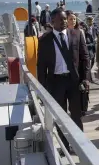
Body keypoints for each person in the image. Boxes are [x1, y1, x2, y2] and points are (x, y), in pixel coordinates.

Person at [37, 8, 89, 156]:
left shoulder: (77, 34)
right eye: (61, 19)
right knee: (61, 116)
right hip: (56, 82)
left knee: (76, 115)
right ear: (52, 22)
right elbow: (41, 66)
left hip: (74, 81)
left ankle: (79, 145)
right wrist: (42, 88)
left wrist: (85, 78)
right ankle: (65, 147)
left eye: (66, 19)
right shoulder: (45, 40)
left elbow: (85, 58)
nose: (65, 21)